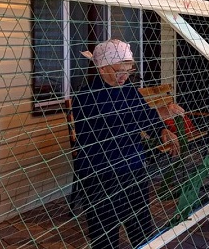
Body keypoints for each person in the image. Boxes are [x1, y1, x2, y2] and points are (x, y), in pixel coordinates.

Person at [72, 39, 179, 249]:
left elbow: (144, 115)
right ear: (102, 68)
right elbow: (116, 124)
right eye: (120, 70)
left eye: (129, 71)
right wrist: (162, 112)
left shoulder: (129, 90)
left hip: (133, 165)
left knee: (140, 222)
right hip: (102, 171)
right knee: (104, 229)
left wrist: (161, 129)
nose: (125, 76)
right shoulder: (87, 95)